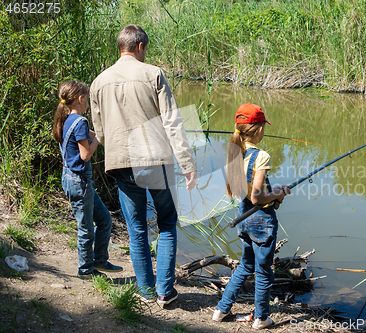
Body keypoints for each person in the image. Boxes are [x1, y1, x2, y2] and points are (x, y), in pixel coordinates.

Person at [90, 24, 197, 307]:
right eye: (145, 49)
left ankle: (146, 292)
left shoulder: (98, 82)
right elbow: (173, 123)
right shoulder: (154, 74)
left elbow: (99, 132)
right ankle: (165, 292)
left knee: (136, 228)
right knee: (167, 224)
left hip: (120, 164)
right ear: (139, 47)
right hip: (155, 161)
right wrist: (187, 163)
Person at [213, 103, 290, 330]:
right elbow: (257, 197)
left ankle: (221, 310)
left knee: (246, 266)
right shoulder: (261, 156)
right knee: (264, 271)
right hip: (260, 219)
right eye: (263, 126)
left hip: (244, 216)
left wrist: (274, 194)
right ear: (257, 129)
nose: (264, 130)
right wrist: (278, 193)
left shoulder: (236, 151)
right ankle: (261, 318)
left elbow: (244, 193)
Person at [52, 80, 123, 279]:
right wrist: (98, 141)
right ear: (81, 99)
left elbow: (89, 135)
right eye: (88, 99)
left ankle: (99, 260)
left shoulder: (67, 119)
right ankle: (86, 271)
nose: (89, 103)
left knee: (105, 219)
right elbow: (85, 155)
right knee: (86, 229)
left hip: (72, 180)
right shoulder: (81, 122)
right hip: (79, 182)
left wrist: (101, 132)